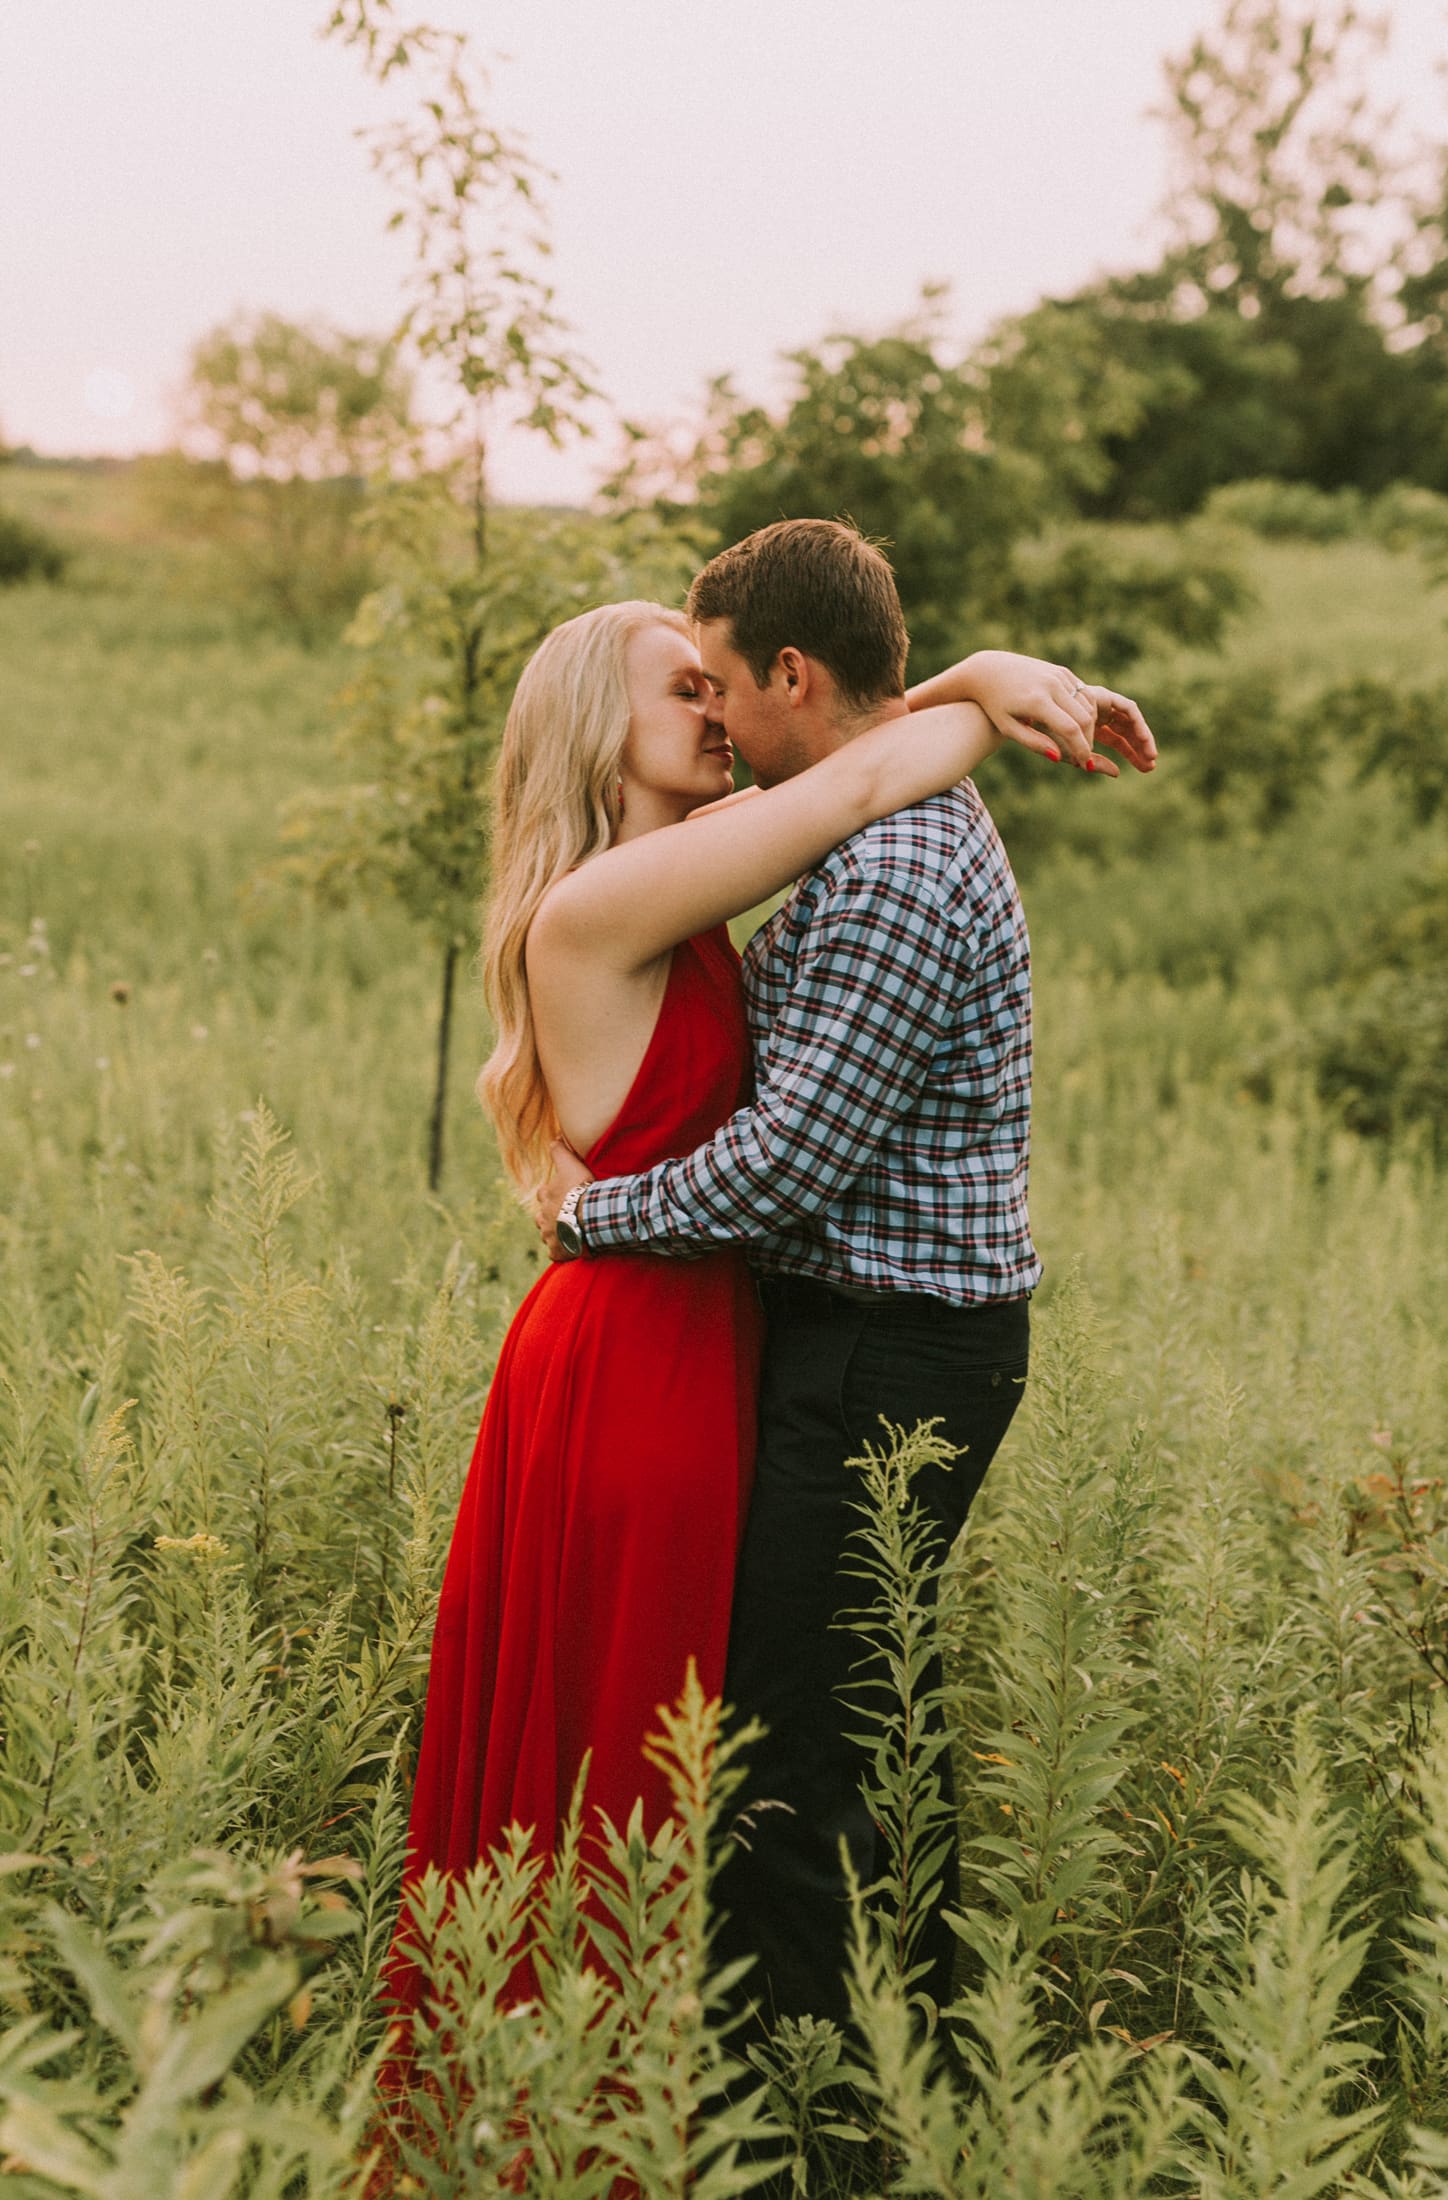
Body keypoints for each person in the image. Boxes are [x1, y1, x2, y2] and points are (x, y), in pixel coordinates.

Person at [385, 574, 1137, 2025]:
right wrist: (981, 677)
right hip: (636, 1344)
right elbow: (859, 779)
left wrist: (975, 678)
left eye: (719, 682)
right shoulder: (601, 905)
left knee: (721, 1734)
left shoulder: (697, 874)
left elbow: (857, 770)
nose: (715, 711)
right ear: (599, 733)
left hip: (696, 1329)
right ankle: (597, 2085)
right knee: (657, 1737)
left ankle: (684, 2080)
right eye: (684, 688)